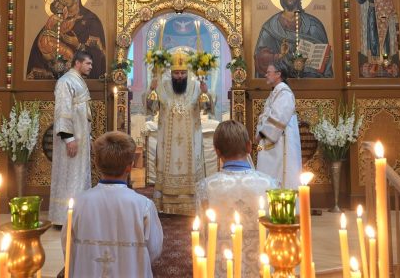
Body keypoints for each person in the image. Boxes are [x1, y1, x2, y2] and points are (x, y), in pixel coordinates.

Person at [62, 131, 163, 277]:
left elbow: (67, 247)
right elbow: (154, 249)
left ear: (96, 164)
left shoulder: (77, 204)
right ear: (130, 166)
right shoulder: (144, 205)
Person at [196, 120, 278, 278]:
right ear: (248, 147)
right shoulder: (271, 184)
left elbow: (202, 235)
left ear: (217, 151)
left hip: (220, 270)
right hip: (262, 270)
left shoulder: (205, 187)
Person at [146, 49, 211, 215]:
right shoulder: (162, 86)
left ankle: (191, 204)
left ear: (188, 73)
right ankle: (166, 205)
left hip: (191, 140)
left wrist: (206, 93)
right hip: (167, 141)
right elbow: (151, 108)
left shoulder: (196, 86)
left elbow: (206, 108)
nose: (180, 77)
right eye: (177, 73)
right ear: (171, 73)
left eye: (183, 73)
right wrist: (151, 91)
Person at [27, 0, 106, 79]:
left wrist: (78, 44)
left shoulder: (91, 20)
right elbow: (37, 53)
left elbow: (98, 54)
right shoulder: (56, 20)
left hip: (84, 82)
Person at [254, 0, 332, 78]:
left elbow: (325, 54)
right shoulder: (271, 26)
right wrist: (279, 56)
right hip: (281, 78)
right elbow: (260, 57)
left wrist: (324, 58)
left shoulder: (314, 24)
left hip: (310, 81)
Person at [49, 50, 94, 227]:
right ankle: (64, 217)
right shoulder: (65, 82)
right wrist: (69, 139)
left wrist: (88, 136)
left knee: (78, 175)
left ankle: (78, 214)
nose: (91, 67)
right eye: (88, 63)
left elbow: (84, 114)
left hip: (81, 137)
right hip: (72, 139)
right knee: (68, 175)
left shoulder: (78, 80)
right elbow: (63, 112)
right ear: (78, 63)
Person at [255, 62, 302, 189]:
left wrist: (261, 134)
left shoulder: (284, 93)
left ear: (278, 74)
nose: (266, 75)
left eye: (268, 72)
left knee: (279, 174)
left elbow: (278, 117)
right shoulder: (276, 92)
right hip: (275, 142)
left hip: (281, 143)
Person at [356, 0, 398, 64]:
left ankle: (385, 57)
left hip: (383, 15)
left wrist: (388, 13)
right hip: (372, 15)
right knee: (373, 36)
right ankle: (374, 59)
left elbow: (388, 2)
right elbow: (361, 0)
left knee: (385, 37)